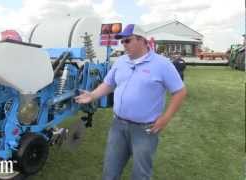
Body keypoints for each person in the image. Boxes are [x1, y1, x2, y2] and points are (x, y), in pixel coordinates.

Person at [75, 24, 187, 180]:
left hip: (145, 129)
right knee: (110, 171)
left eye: (127, 40)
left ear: (142, 40)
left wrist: (165, 119)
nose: (123, 45)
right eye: (122, 41)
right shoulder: (121, 62)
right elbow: (109, 83)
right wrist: (92, 95)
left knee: (141, 174)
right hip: (118, 126)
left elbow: (180, 92)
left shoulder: (162, 64)